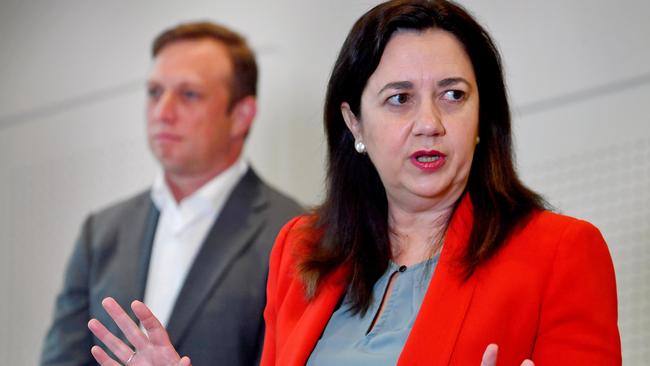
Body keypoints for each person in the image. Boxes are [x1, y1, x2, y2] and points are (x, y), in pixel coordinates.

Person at [85, 1, 621, 365]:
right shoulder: (300, 251)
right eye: (399, 98)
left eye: (454, 95)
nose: (429, 122)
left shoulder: (562, 253)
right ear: (354, 123)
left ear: (484, 118)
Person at [40, 21, 303, 366]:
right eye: (154, 92)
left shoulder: (296, 233)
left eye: (188, 94)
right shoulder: (101, 232)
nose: (163, 113)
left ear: (241, 115)